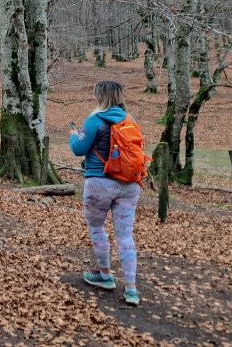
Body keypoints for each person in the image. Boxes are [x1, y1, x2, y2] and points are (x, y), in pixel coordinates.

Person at [69, 80, 141, 306]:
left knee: (97, 228)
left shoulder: (95, 120)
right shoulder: (130, 121)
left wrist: (74, 135)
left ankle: (105, 275)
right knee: (125, 236)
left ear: (99, 96)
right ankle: (131, 289)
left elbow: (78, 149)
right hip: (129, 185)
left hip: (99, 183)